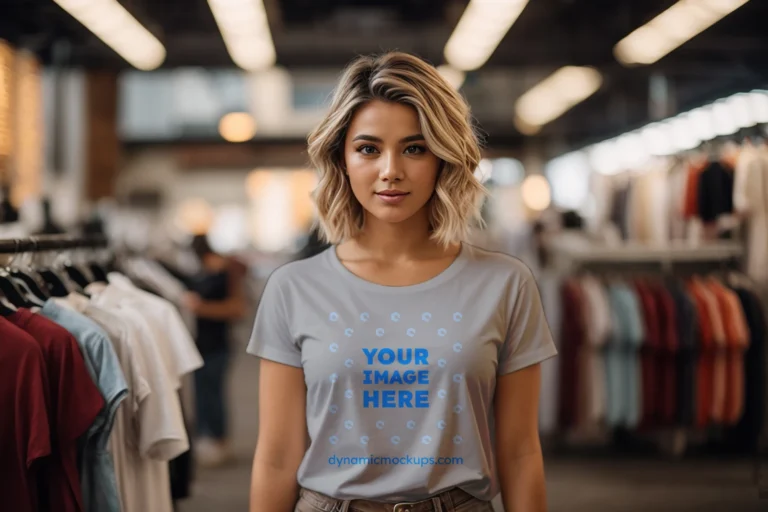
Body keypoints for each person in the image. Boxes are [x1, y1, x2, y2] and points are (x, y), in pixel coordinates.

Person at [247, 52, 557, 512]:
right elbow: (276, 458)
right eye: (368, 149)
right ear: (342, 159)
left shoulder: (505, 284)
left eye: (414, 148)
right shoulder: (293, 289)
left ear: (443, 158)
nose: (390, 169)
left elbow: (520, 451)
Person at [184, 234, 247, 467]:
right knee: (202, 393)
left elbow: (237, 309)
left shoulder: (227, 272)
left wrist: (201, 309)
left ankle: (220, 441)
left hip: (219, 343)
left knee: (214, 394)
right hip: (199, 344)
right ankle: (207, 438)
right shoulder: (201, 273)